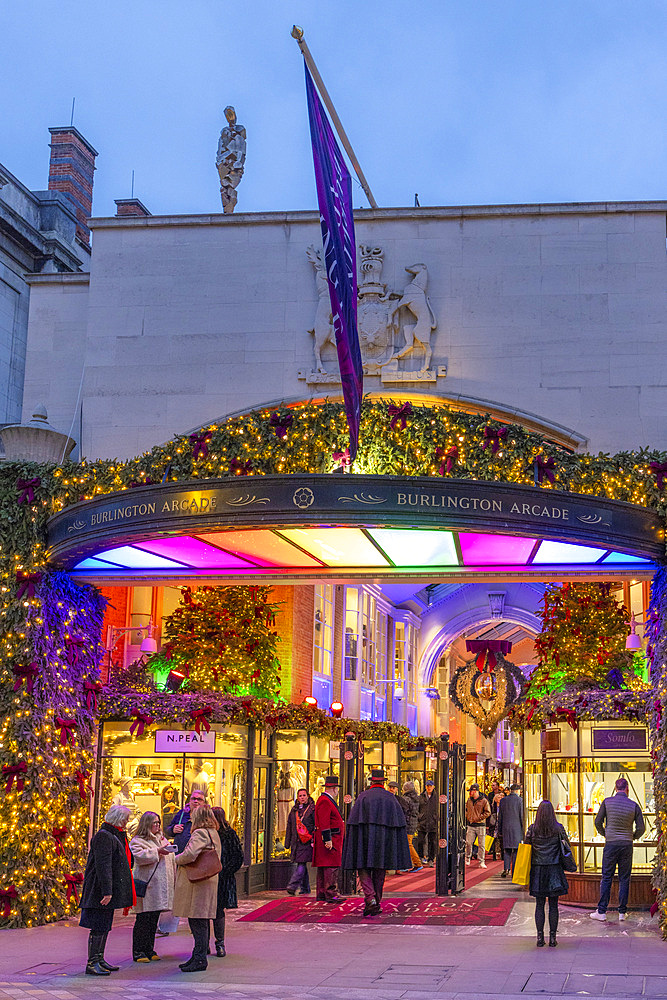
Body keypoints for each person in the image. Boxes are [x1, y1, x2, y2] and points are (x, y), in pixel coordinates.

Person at [342, 768, 412, 916]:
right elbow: (399, 822)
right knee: (379, 870)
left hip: (364, 838)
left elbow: (353, 822)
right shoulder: (390, 798)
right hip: (384, 839)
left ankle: (370, 899)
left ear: (371, 781)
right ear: (383, 782)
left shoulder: (363, 797)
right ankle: (375, 901)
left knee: (363, 867)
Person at [79, 804, 135, 976]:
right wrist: (107, 891)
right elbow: (103, 866)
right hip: (99, 890)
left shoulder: (113, 835)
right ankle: (92, 962)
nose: (127, 822)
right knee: (98, 925)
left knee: (104, 925)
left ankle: (99, 958)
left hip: (105, 888)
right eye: (125, 819)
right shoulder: (104, 836)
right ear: (118, 819)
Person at [173, 804, 222, 973]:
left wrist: (175, 859)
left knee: (197, 920)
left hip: (197, 882)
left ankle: (199, 958)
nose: (191, 818)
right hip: (207, 879)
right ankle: (197, 956)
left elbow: (190, 854)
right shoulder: (213, 832)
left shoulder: (200, 833)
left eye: (193, 815)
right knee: (200, 920)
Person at [590, 777, 646, 922]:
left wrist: (605, 833)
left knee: (607, 877)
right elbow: (641, 828)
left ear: (615, 788)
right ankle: (622, 912)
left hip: (611, 844)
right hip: (626, 845)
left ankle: (601, 911)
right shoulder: (633, 805)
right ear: (627, 789)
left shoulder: (607, 802)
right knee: (624, 878)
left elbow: (597, 821)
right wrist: (633, 836)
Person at [129, 811, 176, 962]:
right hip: (148, 886)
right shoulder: (138, 840)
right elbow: (139, 856)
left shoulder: (162, 840)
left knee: (153, 919)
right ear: (147, 824)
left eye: (158, 822)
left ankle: (149, 949)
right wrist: (157, 851)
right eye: (154, 823)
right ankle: (138, 951)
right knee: (143, 918)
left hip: (160, 887)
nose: (157, 825)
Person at [525, 800, 572, 947]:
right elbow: (566, 845)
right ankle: (552, 938)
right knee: (553, 905)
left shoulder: (532, 829)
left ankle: (539, 938)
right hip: (554, 869)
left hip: (538, 870)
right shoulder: (558, 828)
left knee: (539, 904)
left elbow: (526, 848)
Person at [211, 806, 244, 957]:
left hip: (222, 879)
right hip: (209, 877)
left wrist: (224, 871)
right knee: (206, 911)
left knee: (218, 910)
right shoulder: (208, 834)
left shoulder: (228, 834)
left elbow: (237, 856)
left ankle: (220, 943)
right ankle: (205, 944)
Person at [312, 775, 346, 902]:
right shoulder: (325, 801)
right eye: (337, 788)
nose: (337, 791)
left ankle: (322, 893)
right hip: (331, 839)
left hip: (331, 838)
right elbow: (324, 822)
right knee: (331, 866)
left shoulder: (325, 800)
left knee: (324, 866)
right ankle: (331, 893)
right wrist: (328, 839)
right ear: (334, 788)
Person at [284, 788, 316, 895]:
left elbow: (316, 825)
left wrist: (313, 838)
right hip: (297, 842)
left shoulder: (312, 809)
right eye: (300, 796)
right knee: (301, 863)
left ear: (308, 796)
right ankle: (305, 888)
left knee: (301, 863)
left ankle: (292, 885)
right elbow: (289, 826)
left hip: (307, 841)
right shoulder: (294, 810)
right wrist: (287, 842)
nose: (302, 798)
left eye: (304, 795)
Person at [167, 788, 206, 854]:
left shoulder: (206, 816)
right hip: (179, 855)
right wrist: (173, 829)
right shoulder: (182, 813)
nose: (196, 801)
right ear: (190, 800)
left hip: (197, 855)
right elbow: (167, 830)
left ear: (204, 802)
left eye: (199, 799)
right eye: (193, 799)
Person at [498, 783, 524, 877]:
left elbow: (500, 816)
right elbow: (521, 816)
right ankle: (514, 871)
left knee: (507, 850)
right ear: (517, 791)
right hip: (517, 829)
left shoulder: (503, 801)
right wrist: (524, 829)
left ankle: (506, 868)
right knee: (516, 850)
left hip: (506, 828)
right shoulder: (520, 801)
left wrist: (500, 829)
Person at [465, 784, 491, 868]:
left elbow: (488, 812)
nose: (470, 793)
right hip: (471, 825)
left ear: (475, 791)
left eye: (471, 791)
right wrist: (468, 816)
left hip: (480, 825)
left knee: (481, 844)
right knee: (468, 842)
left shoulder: (484, 801)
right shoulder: (469, 800)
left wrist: (479, 818)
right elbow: (466, 809)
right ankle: (468, 857)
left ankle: (481, 861)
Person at [416, 779, 438, 866]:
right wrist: (419, 818)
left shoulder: (436, 797)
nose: (429, 787)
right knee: (420, 841)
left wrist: (436, 818)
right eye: (427, 786)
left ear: (433, 787)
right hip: (422, 822)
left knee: (432, 842)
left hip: (433, 822)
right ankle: (421, 857)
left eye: (430, 786)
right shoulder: (421, 797)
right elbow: (418, 809)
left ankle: (431, 859)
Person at [487, 781, 501, 860]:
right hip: (494, 821)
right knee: (493, 836)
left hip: (499, 821)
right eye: (491, 785)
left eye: (494, 785)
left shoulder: (502, 804)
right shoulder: (490, 795)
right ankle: (492, 850)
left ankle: (498, 851)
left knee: (498, 837)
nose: (492, 786)